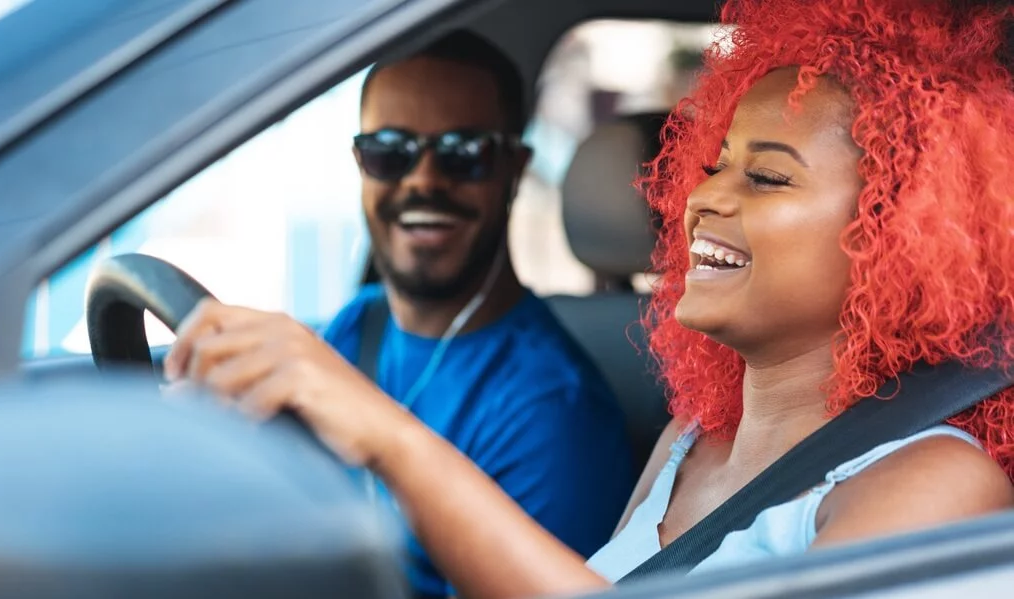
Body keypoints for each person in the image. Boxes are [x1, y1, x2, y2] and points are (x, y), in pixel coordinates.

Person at [163, 0, 1014, 597]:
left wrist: (389, 438)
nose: (703, 198)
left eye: (763, 176)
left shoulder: (937, 484)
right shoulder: (691, 440)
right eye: (714, 163)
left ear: (893, 233)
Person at [184, 31, 635, 598]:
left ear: (514, 169)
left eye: (463, 152)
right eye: (389, 151)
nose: (423, 179)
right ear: (359, 163)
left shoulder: (551, 410)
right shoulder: (358, 324)